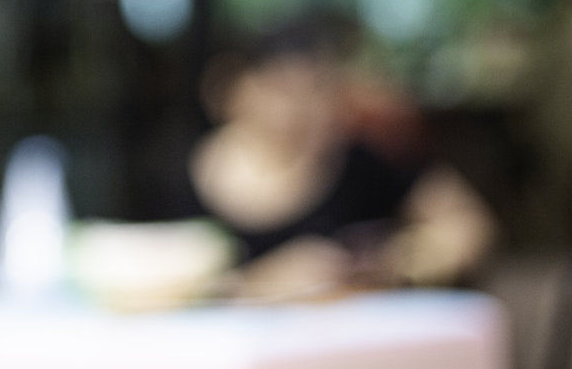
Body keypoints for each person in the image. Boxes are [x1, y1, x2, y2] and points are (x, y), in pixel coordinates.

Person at [186, 20, 496, 300]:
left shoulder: (357, 161)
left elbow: (469, 225)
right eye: (282, 90)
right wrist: (259, 285)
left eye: (316, 89)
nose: (299, 109)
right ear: (231, 90)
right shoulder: (184, 178)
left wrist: (382, 264)